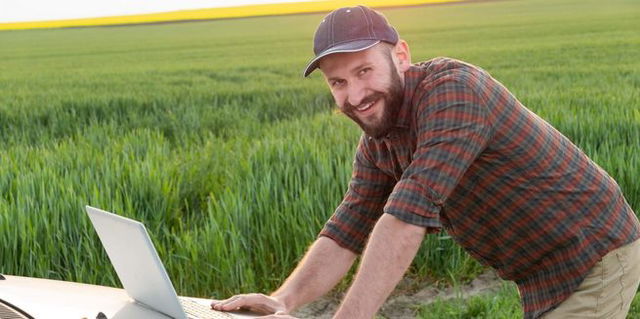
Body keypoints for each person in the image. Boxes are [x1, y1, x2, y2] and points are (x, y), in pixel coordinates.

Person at [211, 6, 640, 319]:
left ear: (400, 56)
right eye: (338, 82)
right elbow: (348, 228)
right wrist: (283, 299)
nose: (354, 96)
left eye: (364, 71)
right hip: (538, 269)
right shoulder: (379, 141)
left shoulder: (455, 92)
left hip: (593, 253)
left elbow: (407, 215)